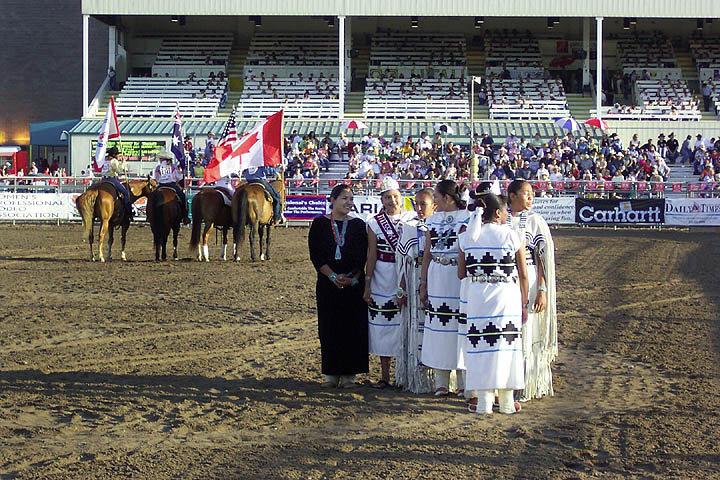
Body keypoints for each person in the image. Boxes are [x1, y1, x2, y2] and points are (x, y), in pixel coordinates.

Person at [458, 192, 528, 414]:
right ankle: (507, 402)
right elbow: (523, 274)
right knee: (506, 345)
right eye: (506, 210)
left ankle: (483, 402)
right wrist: (524, 303)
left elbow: (461, 273)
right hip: (505, 293)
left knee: (481, 345)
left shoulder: (467, 237)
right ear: (498, 213)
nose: (507, 214)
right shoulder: (513, 235)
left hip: (478, 294)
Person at [308, 184, 369, 388]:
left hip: (353, 286)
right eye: (344, 198)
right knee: (329, 327)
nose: (348, 203)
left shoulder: (359, 225)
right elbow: (316, 255)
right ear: (332, 200)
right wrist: (332, 276)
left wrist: (352, 278)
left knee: (352, 327)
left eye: (351, 199)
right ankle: (331, 375)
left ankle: (350, 375)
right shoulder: (318, 224)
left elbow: (362, 257)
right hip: (328, 285)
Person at [507, 179, 558, 402]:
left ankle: (526, 383)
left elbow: (543, 259)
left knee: (528, 330)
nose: (530, 197)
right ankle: (507, 381)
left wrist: (543, 290)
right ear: (512, 195)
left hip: (531, 278)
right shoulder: (501, 218)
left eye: (531, 194)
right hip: (506, 280)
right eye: (525, 193)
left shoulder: (536, 222)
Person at [419, 180, 471, 397]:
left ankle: (463, 381)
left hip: (458, 276)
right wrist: (423, 284)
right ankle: (441, 381)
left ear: (447, 198)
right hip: (438, 274)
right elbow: (427, 254)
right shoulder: (432, 221)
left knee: (461, 329)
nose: (436, 202)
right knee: (439, 327)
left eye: (438, 198)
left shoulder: (468, 217)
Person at [363, 177, 416, 389]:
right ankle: (385, 375)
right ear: (382, 200)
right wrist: (367, 282)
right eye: (387, 197)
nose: (392, 201)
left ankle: (404, 374)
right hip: (382, 277)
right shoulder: (374, 223)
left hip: (405, 273)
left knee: (406, 324)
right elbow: (372, 254)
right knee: (383, 327)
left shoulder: (412, 218)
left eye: (395, 196)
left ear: (401, 197)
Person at [395, 189, 436, 393]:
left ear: (434, 206)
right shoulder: (409, 228)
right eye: (416, 204)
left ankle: (440, 378)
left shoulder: (439, 227)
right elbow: (401, 263)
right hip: (413, 281)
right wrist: (401, 290)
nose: (419, 208)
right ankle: (415, 378)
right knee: (415, 329)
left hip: (436, 281)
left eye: (424, 204)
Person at [153, 151, 190, 224]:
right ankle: (185, 216)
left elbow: (157, 178)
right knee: (183, 197)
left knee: (152, 197)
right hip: (171, 185)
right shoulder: (173, 167)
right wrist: (182, 174)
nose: (160, 160)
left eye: (161, 159)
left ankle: (150, 214)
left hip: (161, 185)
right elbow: (178, 177)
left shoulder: (158, 168)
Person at [97, 146, 132, 217]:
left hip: (103, 179)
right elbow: (118, 170)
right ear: (114, 155)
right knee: (125, 193)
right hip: (112, 179)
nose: (118, 156)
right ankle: (129, 212)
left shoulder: (104, 160)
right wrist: (123, 164)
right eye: (117, 154)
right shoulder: (114, 161)